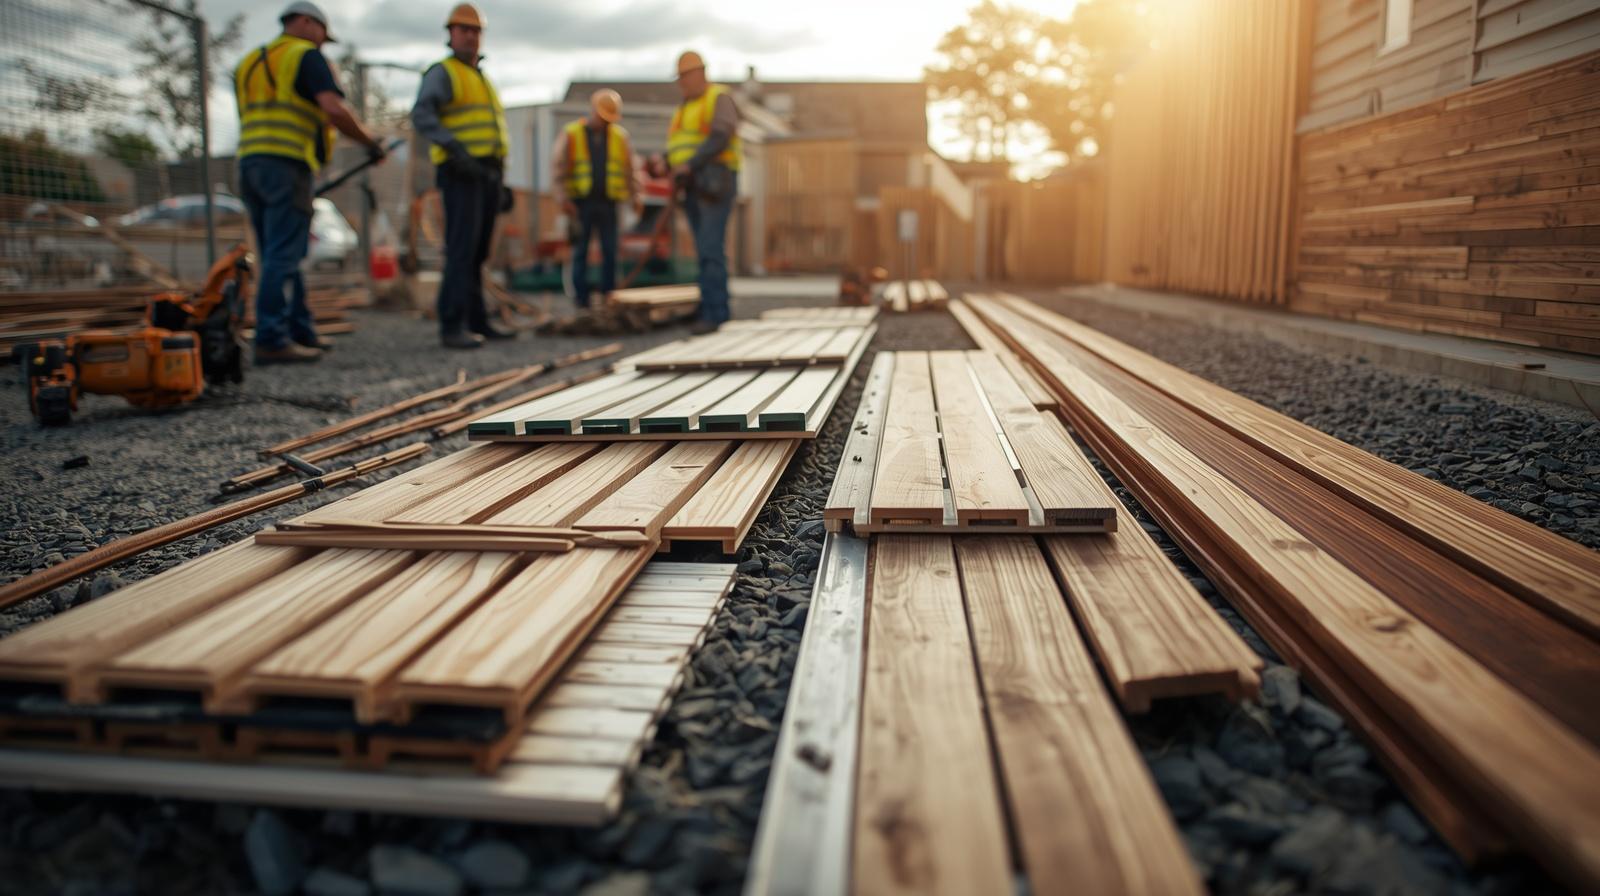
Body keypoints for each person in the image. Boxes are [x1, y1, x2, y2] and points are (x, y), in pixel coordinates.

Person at [235, 1, 386, 364]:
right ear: (306, 22)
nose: (322, 43)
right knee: (284, 254)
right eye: (322, 34)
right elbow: (333, 109)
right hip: (287, 163)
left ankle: (300, 330)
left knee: (279, 250)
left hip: (250, 163)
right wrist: (369, 142)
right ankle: (271, 338)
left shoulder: (249, 62)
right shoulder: (305, 56)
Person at [411, 3, 516, 350]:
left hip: (486, 173)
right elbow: (422, 115)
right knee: (461, 249)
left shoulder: (482, 79)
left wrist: (500, 180)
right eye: (464, 30)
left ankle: (477, 321)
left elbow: (491, 132)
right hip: (460, 172)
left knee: (478, 252)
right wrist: (454, 148)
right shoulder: (443, 73)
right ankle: (452, 323)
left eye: (475, 31)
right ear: (451, 34)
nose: (470, 36)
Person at [667, 51, 741, 333]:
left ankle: (716, 312)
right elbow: (681, 145)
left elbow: (721, 134)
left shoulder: (718, 98)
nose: (681, 83)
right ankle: (709, 306)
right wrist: (664, 161)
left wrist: (690, 164)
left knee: (710, 247)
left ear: (699, 73)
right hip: (694, 184)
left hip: (715, 181)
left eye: (684, 77)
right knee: (703, 248)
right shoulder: (685, 107)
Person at [550, 89, 640, 309]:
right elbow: (558, 169)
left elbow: (630, 170)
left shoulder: (620, 137)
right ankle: (581, 300)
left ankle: (609, 297)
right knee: (580, 251)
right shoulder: (572, 134)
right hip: (581, 204)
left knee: (610, 251)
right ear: (594, 111)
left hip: (609, 203)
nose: (606, 122)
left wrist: (636, 196)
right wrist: (563, 198)